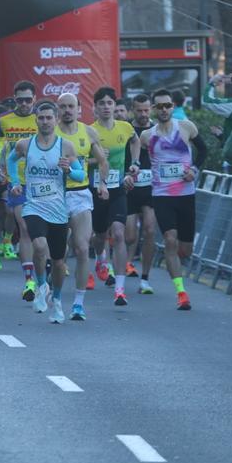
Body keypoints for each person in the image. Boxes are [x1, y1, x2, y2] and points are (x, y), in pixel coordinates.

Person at [9, 101, 86, 324]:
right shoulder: (25, 144)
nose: (45, 122)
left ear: (56, 120)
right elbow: (11, 160)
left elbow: (81, 175)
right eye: (41, 118)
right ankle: (42, 285)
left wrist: (69, 170)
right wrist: (15, 182)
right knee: (40, 245)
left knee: (59, 262)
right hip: (34, 206)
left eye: (49, 118)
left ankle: (58, 299)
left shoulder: (66, 146)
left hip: (58, 210)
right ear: (36, 120)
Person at [140, 88, 206, 311]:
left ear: (173, 106)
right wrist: (133, 171)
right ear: (154, 109)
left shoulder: (186, 127)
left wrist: (194, 170)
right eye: (159, 106)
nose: (164, 110)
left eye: (167, 105)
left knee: (185, 249)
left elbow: (204, 151)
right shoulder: (147, 136)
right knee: (169, 239)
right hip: (162, 195)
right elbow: (137, 159)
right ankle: (181, 293)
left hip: (186, 194)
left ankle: (175, 260)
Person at [55, 92, 109, 318]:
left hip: (80, 194)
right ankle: (54, 295)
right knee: (57, 254)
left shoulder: (89, 132)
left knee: (82, 247)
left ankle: (78, 303)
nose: (67, 110)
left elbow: (103, 161)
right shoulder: (50, 132)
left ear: (79, 109)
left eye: (71, 106)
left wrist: (102, 184)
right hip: (55, 196)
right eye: (63, 107)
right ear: (58, 110)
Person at [89, 87, 140, 306]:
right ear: (95, 107)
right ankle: (100, 257)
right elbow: (78, 159)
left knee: (119, 233)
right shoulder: (89, 131)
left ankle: (120, 289)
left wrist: (134, 164)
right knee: (100, 235)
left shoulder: (125, 127)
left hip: (117, 188)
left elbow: (135, 141)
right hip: (96, 189)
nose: (106, 107)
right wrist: (96, 159)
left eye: (110, 103)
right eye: (102, 103)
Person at [0, 81, 38, 300]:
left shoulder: (43, 119)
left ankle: (46, 269)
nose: (24, 104)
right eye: (20, 100)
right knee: (25, 227)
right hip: (17, 182)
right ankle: (29, 280)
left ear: (34, 99)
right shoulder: (4, 120)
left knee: (44, 231)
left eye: (28, 100)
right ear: (14, 99)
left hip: (42, 181)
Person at [126, 94, 160, 294]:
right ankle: (122, 264)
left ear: (151, 109)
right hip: (130, 188)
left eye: (146, 110)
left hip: (151, 188)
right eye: (139, 110)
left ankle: (145, 278)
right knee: (130, 237)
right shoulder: (126, 130)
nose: (143, 114)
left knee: (149, 230)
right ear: (133, 110)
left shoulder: (156, 130)